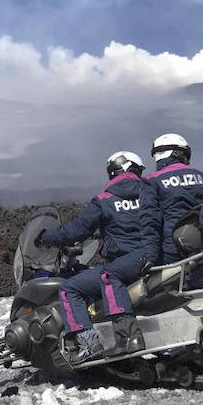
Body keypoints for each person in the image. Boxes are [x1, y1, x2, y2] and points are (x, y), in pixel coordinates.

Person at [38, 151, 160, 364]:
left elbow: (76, 231)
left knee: (70, 289)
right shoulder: (152, 194)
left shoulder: (104, 200)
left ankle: (89, 344)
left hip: (124, 266)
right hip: (155, 258)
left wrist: (46, 237)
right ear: (136, 170)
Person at [145, 133, 203, 264]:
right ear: (180, 154)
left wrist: (149, 258)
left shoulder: (151, 181)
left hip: (172, 250)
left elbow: (150, 222)